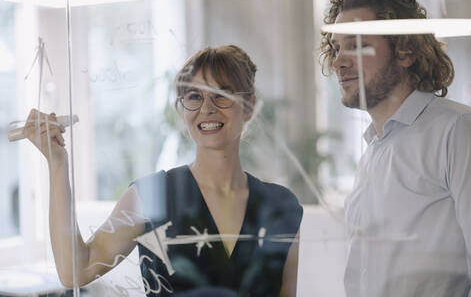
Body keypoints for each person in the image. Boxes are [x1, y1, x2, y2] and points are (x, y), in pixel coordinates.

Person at [24, 45, 303, 296]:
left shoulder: (281, 205)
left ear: (249, 106)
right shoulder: (151, 196)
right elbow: (76, 271)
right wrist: (57, 163)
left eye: (222, 94)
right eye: (194, 96)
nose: (207, 108)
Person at [319, 0, 471, 296]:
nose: (338, 61)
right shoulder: (373, 151)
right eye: (337, 48)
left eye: (357, 45)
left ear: (405, 52)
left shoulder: (458, 129)